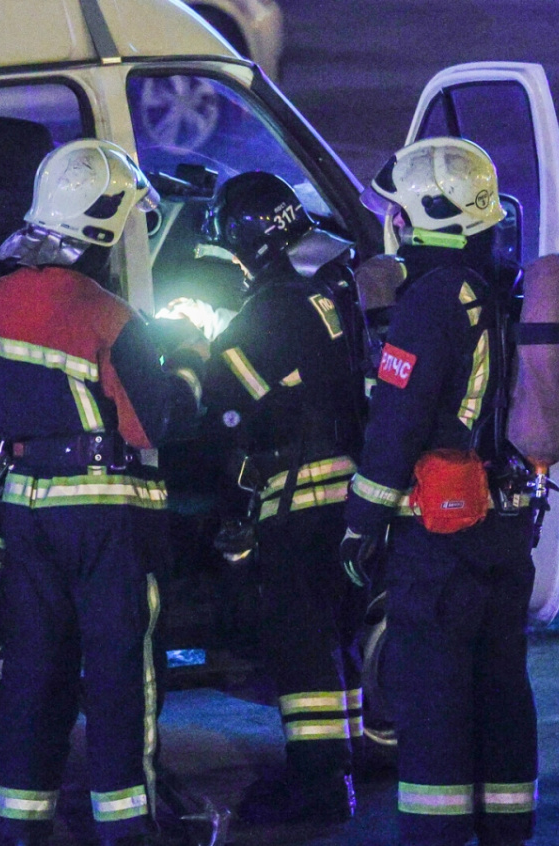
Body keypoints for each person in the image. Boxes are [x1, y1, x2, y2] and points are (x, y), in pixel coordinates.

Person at [0, 137, 206, 846]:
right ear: (102, 227)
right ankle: (127, 826)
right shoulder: (109, 315)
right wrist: (186, 364)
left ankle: (18, 824)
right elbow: (150, 425)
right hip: (106, 516)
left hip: (25, 507)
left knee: (33, 669)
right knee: (120, 670)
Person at [341, 137, 537, 846]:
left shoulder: (427, 299)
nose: (390, 221)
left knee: (435, 695)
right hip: (506, 527)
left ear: (422, 218)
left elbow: (398, 421)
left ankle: (437, 832)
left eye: (396, 209)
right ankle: (507, 823)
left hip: (439, 539)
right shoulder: (499, 287)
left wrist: (361, 523)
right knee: (500, 687)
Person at [196, 171, 368, 826]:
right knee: (335, 641)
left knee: (301, 645)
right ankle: (342, 771)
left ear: (245, 239)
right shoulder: (326, 291)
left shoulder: (265, 311)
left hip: (299, 500)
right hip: (346, 493)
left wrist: (192, 354)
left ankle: (318, 788)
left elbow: (222, 405)